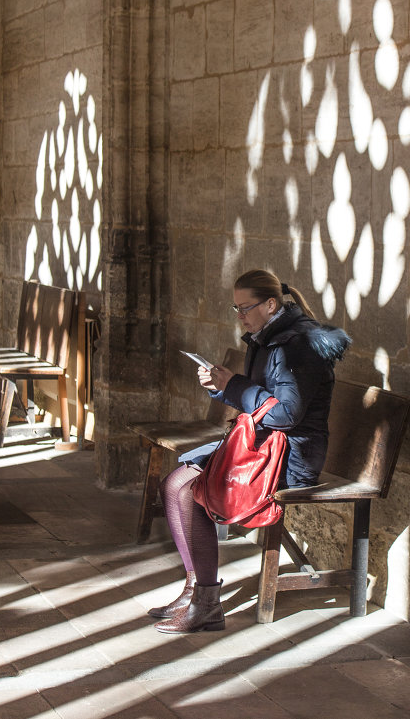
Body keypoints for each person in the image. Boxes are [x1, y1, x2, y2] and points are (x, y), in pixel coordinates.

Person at [149, 269, 351, 634]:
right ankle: (197, 591)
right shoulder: (267, 338)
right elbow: (259, 402)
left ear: (271, 304)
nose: (239, 315)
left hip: (292, 456)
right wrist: (221, 386)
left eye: (245, 307)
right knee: (174, 486)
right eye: (236, 307)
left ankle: (206, 603)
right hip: (264, 445)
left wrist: (235, 385)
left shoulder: (296, 345)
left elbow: (287, 414)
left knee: (182, 487)